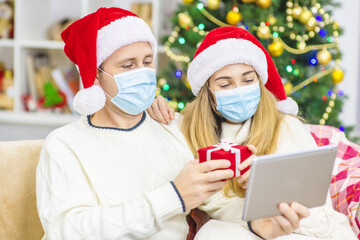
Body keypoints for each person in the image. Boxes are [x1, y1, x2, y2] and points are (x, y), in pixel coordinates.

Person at [36, 8, 236, 240]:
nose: (142, 74)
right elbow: (68, 231)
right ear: (95, 76)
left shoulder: (172, 124)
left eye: (147, 61)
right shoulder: (65, 144)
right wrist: (174, 196)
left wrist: (259, 219)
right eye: (128, 66)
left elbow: (216, 201)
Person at [148, 26, 357, 239]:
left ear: (259, 82)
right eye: (225, 84)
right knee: (213, 232)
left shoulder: (286, 127)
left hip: (302, 232)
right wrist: (150, 108)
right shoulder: (191, 133)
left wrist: (271, 192)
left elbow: (320, 220)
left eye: (248, 80)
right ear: (208, 93)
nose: (238, 89)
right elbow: (212, 203)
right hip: (244, 230)